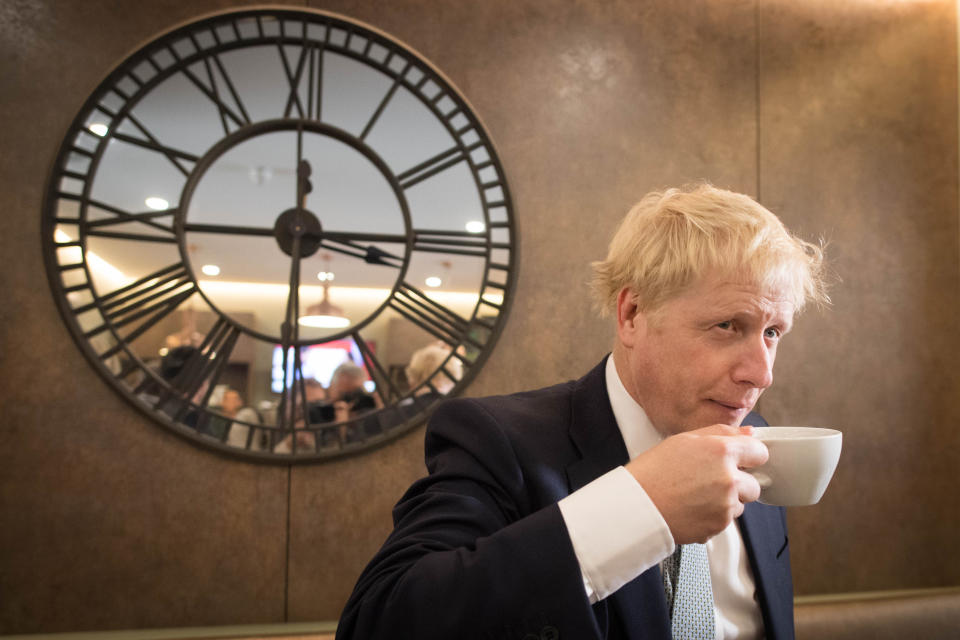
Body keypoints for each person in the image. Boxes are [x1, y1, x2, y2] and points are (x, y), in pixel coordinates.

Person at [335, 184, 828, 640]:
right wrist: (640, 507)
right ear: (632, 314)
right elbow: (379, 621)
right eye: (726, 325)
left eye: (772, 333)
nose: (761, 375)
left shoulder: (757, 440)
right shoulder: (498, 442)